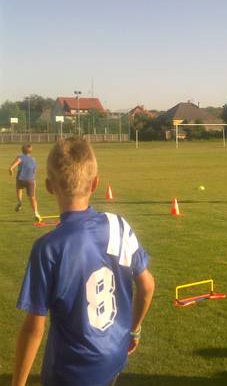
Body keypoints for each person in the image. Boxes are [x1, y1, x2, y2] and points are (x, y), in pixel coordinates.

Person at [12, 137, 155, 386]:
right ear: (95, 183)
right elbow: (147, 286)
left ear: (48, 186)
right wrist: (135, 329)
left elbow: (34, 328)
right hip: (113, 357)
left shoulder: (48, 248)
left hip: (70, 371)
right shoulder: (119, 226)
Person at [9, 143, 41, 222]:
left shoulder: (20, 157)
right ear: (31, 151)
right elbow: (34, 171)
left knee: (19, 189)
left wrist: (11, 171)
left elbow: (11, 167)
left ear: (22, 150)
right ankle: (36, 213)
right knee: (32, 198)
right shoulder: (33, 159)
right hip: (30, 180)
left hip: (20, 179)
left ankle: (19, 202)